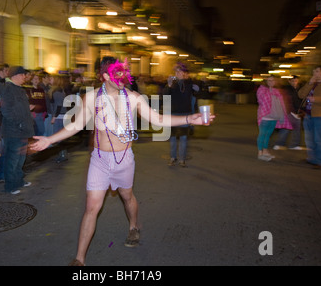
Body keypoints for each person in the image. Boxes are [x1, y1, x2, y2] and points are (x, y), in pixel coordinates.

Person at [29, 57, 214, 266]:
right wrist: (49, 140)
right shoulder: (91, 99)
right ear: (105, 76)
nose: (122, 78)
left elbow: (158, 119)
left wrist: (190, 119)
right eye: (116, 75)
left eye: (123, 74)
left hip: (124, 159)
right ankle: (79, 259)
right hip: (99, 160)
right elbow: (76, 126)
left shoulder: (133, 98)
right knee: (91, 207)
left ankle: (134, 225)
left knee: (127, 197)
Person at [0, 66, 34, 194]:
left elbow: (17, 107)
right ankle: (10, 186)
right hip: (14, 131)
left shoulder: (19, 89)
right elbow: (6, 110)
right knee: (12, 160)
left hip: (23, 130)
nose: (25, 77)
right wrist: (18, 123)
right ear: (16, 76)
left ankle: (19, 180)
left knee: (20, 159)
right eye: (23, 75)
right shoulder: (8, 89)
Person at [163, 62, 197, 167]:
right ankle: (173, 158)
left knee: (183, 138)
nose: (177, 73)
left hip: (185, 113)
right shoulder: (172, 84)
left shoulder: (189, 84)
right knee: (173, 138)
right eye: (176, 71)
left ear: (184, 73)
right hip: (173, 114)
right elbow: (165, 97)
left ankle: (182, 159)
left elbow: (194, 96)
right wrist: (169, 86)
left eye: (180, 71)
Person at [256, 75, 292, 161]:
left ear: (275, 82)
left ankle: (265, 151)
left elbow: (281, 104)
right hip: (265, 116)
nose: (270, 82)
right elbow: (261, 100)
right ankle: (259, 152)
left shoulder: (277, 91)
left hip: (274, 117)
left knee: (268, 135)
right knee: (262, 134)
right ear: (266, 81)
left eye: (272, 81)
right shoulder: (262, 90)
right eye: (269, 80)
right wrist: (270, 93)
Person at [273, 75, 305, 150]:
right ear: (289, 81)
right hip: (289, 111)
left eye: (296, 81)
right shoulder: (287, 89)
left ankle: (293, 144)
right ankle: (281, 144)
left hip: (297, 112)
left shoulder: (300, 89)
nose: (294, 82)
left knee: (295, 129)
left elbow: (301, 100)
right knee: (287, 128)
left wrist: (301, 110)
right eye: (293, 81)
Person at [49, 74, 71, 163]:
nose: (49, 79)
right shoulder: (59, 90)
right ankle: (62, 154)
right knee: (61, 137)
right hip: (61, 116)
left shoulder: (57, 91)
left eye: (51, 78)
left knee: (59, 137)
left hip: (59, 116)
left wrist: (54, 117)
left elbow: (58, 105)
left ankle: (62, 155)